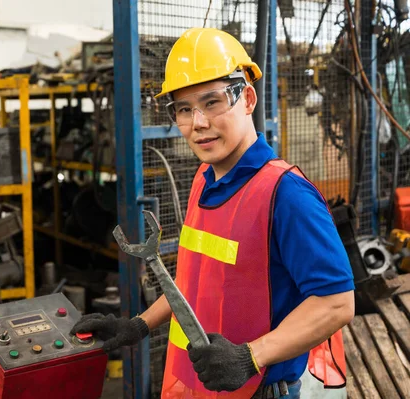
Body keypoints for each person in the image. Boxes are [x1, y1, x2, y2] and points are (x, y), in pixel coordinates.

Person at [71, 27, 355, 399]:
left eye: (212, 102)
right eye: (184, 109)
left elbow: (336, 304)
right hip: (200, 387)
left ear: (248, 98)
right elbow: (194, 279)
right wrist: (138, 325)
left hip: (259, 390)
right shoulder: (204, 180)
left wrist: (250, 356)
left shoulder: (286, 194)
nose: (197, 123)